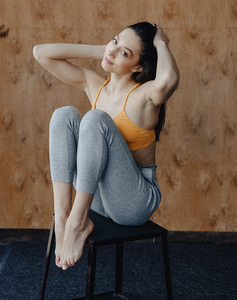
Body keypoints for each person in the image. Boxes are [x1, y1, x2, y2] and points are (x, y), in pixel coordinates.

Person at [33, 22, 179, 271]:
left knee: (95, 118)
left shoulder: (144, 97)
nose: (113, 52)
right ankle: (64, 218)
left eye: (125, 53)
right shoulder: (95, 85)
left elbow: (169, 79)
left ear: (138, 67)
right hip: (97, 196)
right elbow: (41, 53)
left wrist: (160, 42)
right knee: (63, 115)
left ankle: (78, 223)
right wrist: (105, 49)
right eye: (115, 40)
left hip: (134, 202)